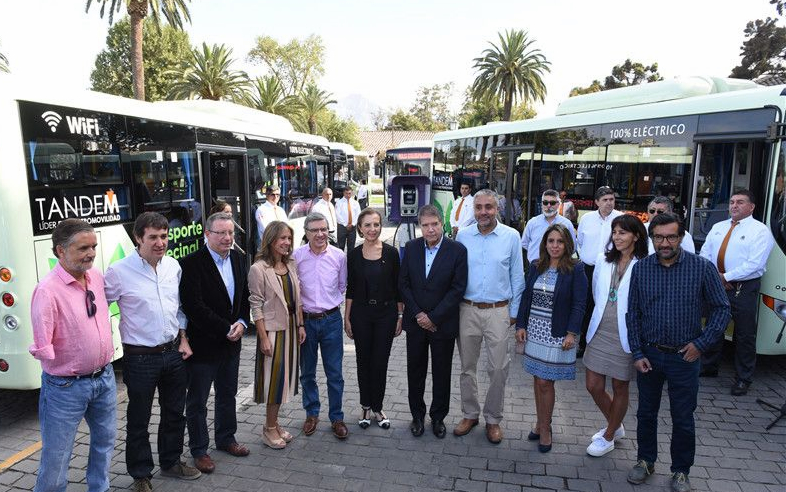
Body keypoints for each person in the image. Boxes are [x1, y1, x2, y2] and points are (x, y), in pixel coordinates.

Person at [626, 212, 730, 492]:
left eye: (671, 237)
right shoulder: (641, 269)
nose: (664, 243)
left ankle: (681, 471)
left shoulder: (702, 268)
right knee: (646, 414)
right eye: (658, 237)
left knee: (683, 418)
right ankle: (645, 460)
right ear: (652, 238)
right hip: (650, 355)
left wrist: (701, 344)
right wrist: (637, 352)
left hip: (685, 357)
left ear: (681, 237)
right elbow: (632, 313)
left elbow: (722, 308)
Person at [105, 212, 201, 492]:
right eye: (153, 237)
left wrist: (183, 337)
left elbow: (178, 307)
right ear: (138, 238)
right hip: (140, 358)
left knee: (175, 413)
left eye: (164, 236)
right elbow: (98, 309)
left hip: (173, 353)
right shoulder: (119, 271)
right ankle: (140, 474)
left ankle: (171, 462)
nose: (160, 243)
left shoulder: (173, 266)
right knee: (139, 419)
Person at [29, 218, 116, 492]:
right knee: (57, 456)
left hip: (104, 379)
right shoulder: (47, 290)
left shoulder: (96, 277)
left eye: (93, 247)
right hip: (65, 387)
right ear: (60, 251)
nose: (91, 253)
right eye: (83, 248)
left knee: (105, 442)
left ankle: (99, 488)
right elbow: (42, 344)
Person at [179, 212, 251, 474]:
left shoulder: (238, 258)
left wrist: (242, 321)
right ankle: (199, 450)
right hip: (204, 345)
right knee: (197, 401)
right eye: (221, 233)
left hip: (232, 343)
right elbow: (193, 306)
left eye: (231, 233)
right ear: (207, 234)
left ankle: (226, 438)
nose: (227, 238)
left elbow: (244, 296)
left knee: (227, 394)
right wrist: (225, 328)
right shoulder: (190, 263)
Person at [454, 189, 525, 443]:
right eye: (479, 207)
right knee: (467, 368)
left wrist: (514, 313)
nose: (483, 212)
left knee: (498, 369)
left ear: (497, 209)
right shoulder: (463, 236)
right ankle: (470, 414)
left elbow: (517, 276)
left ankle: (493, 418)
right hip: (467, 309)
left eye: (489, 207)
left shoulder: (511, 236)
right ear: (473, 210)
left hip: (498, 311)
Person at [515, 224, 587, 453]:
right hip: (534, 330)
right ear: (545, 244)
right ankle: (540, 423)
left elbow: (579, 304)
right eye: (551, 241)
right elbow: (526, 298)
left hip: (556, 333)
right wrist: (521, 325)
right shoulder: (536, 266)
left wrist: (572, 333)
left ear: (567, 244)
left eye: (560, 241)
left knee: (546, 382)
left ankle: (546, 429)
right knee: (538, 380)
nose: (555, 246)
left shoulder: (575, 269)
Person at [583, 214, 648, 458]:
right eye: (615, 232)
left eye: (623, 232)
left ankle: (609, 435)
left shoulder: (644, 264)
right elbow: (596, 292)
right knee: (593, 385)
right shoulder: (603, 259)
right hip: (600, 329)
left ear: (636, 236)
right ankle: (616, 423)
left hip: (626, 334)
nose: (617, 237)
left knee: (620, 386)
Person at [400, 205, 467, 438]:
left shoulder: (457, 250)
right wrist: (419, 314)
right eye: (425, 225)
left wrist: (434, 317)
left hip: (442, 324)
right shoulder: (411, 248)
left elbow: (458, 288)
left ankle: (438, 417)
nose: (430, 229)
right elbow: (403, 284)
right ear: (420, 226)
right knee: (415, 371)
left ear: (442, 224)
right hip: (416, 323)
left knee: (442, 372)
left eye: (434, 224)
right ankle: (417, 416)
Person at [698, 190, 775, 395]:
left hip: (743, 288)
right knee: (714, 326)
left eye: (740, 202)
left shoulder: (760, 231)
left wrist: (726, 277)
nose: (734, 205)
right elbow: (705, 254)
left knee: (744, 334)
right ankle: (709, 366)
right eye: (732, 202)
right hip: (717, 284)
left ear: (751, 207)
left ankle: (743, 378)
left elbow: (755, 264)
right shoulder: (718, 227)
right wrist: (716, 278)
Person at [248, 221, 306, 449]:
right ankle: (269, 428)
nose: (287, 243)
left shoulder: (290, 264)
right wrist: (263, 337)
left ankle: (275, 424)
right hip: (272, 331)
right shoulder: (259, 268)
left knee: (284, 381)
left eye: (289, 238)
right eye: (282, 238)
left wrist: (300, 325)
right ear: (271, 240)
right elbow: (256, 305)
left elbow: (297, 299)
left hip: (291, 328)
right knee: (274, 381)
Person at [345, 208, 403, 429]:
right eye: (367, 225)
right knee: (363, 361)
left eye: (376, 224)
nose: (372, 229)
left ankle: (378, 407)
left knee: (380, 362)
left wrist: (400, 316)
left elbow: (398, 288)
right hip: (360, 314)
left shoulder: (391, 253)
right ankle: (365, 406)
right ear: (360, 228)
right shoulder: (353, 255)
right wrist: (347, 318)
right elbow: (351, 289)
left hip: (386, 315)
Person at [293, 212, 349, 440]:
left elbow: (342, 286)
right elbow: (294, 292)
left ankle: (337, 417)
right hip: (305, 322)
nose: (320, 234)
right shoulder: (296, 257)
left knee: (334, 373)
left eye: (323, 229)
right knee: (307, 372)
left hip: (331, 320)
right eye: (314, 230)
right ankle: (312, 413)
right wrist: (299, 323)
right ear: (306, 233)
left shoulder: (339, 256)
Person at [576, 186, 623, 356]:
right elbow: (580, 242)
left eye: (611, 199)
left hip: (611, 269)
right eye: (605, 200)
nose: (609, 203)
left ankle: (607, 344)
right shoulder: (586, 219)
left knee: (607, 306)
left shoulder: (621, 219)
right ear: (597, 202)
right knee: (587, 305)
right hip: (588, 269)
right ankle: (584, 343)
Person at [521, 189, 575, 267]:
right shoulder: (532, 223)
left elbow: (572, 247)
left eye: (552, 203)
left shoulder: (567, 224)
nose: (548, 206)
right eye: (545, 203)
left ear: (558, 204)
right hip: (535, 267)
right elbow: (525, 244)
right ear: (542, 204)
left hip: (559, 268)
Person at [335, 187, 362, 252]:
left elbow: (358, 214)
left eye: (349, 193)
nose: (348, 195)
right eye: (346, 193)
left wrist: (352, 224)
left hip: (352, 227)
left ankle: (350, 258)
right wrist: (345, 224)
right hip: (342, 227)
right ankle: (341, 258)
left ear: (352, 193)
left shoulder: (355, 203)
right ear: (343, 193)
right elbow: (337, 215)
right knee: (340, 246)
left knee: (351, 247)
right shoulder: (339, 202)